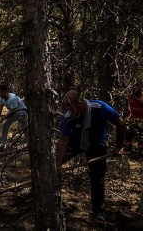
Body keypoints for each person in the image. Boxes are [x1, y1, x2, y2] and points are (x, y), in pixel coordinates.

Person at [55, 90, 126, 221]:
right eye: (66, 106)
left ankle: (98, 210)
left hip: (97, 143)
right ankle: (42, 190)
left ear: (79, 104)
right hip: (75, 141)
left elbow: (120, 123)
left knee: (97, 177)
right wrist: (57, 164)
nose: (68, 109)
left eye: (70, 105)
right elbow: (63, 141)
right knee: (52, 166)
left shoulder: (100, 107)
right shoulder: (68, 115)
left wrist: (119, 146)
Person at [0, 84, 28, 149]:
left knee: (25, 129)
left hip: (22, 113)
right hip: (13, 112)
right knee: (5, 125)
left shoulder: (13, 98)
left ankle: (28, 144)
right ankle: (3, 144)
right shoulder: (1, 98)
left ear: (4, 91)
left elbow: (11, 112)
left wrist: (2, 118)